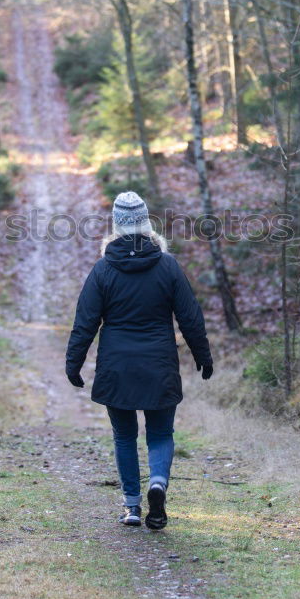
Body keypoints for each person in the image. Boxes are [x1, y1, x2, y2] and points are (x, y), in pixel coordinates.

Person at [65, 191, 213, 530]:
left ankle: (132, 506)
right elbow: (190, 317)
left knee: (124, 435)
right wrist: (203, 356)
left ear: (116, 226)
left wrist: (73, 362)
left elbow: (85, 321)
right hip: (159, 363)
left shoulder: (103, 270)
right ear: (147, 225)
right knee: (160, 432)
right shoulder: (168, 266)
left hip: (117, 366)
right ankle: (158, 482)